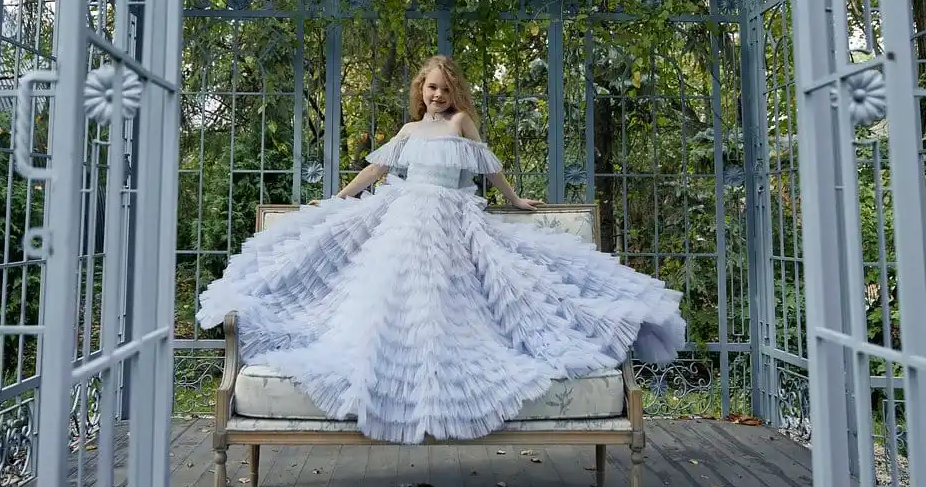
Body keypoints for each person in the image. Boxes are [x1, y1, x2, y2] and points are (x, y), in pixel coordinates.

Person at [195, 54, 686, 444]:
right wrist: (339, 197)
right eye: (430, 88)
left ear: (455, 94)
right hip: (404, 215)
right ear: (419, 91)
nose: (437, 95)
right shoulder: (409, 132)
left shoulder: (461, 125)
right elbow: (378, 172)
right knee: (388, 287)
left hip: (450, 218)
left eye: (445, 89)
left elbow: (490, 169)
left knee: (450, 291)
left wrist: (514, 199)